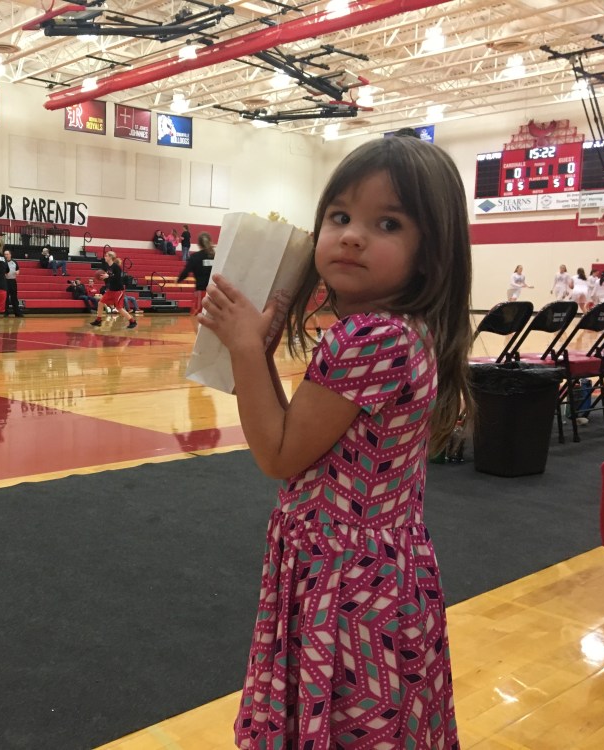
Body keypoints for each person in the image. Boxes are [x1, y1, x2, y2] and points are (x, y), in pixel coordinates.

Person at [198, 136, 468, 749]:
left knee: (345, 725)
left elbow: (278, 454)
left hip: (345, 583)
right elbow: (302, 436)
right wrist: (256, 353)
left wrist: (244, 348)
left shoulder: (367, 338)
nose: (352, 236)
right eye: (340, 216)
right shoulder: (407, 330)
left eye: (388, 223)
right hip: (382, 573)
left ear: (430, 251)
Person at [90, 250, 136, 329]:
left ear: (110, 257)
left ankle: (132, 321)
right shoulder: (108, 267)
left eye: (106, 256)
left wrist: (108, 276)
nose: (105, 257)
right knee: (100, 303)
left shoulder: (116, 267)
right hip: (111, 290)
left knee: (119, 308)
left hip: (118, 290)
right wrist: (104, 278)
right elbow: (110, 279)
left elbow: (117, 278)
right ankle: (98, 320)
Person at [176, 231, 215, 315]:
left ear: (199, 244)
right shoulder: (215, 256)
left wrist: (178, 280)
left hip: (202, 290)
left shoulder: (195, 257)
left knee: (199, 314)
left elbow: (186, 271)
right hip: (215, 292)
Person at [3, 249, 24, 317]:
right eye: (5, 254)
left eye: (7, 254)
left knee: (14, 297)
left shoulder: (14, 262)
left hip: (12, 281)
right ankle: (6, 313)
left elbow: (18, 269)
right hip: (5, 281)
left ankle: (17, 313)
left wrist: (17, 272)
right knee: (5, 297)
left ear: (10, 255)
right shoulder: (3, 262)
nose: (6, 255)